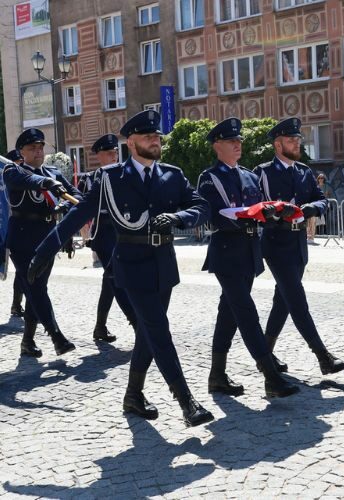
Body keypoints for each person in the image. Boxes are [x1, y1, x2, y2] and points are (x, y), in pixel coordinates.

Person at [28, 110, 214, 427]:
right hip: (132, 263)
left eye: (157, 137)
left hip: (163, 263)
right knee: (158, 330)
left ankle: (133, 395)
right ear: (131, 143)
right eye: (148, 137)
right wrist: (42, 253)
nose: (156, 141)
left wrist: (180, 218)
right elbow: (77, 216)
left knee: (147, 333)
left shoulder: (171, 174)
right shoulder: (111, 178)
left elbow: (202, 206)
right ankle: (186, 401)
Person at [199, 117, 299, 399]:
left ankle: (216, 375)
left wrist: (271, 213)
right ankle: (270, 375)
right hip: (227, 252)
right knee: (246, 312)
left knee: (228, 314)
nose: (238, 145)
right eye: (232, 141)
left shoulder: (249, 175)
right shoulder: (210, 178)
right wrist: (247, 217)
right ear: (217, 146)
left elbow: (260, 208)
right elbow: (216, 214)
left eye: (239, 141)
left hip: (249, 252)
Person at [253, 118, 344, 376]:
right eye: (291, 139)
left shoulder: (304, 171)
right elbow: (254, 206)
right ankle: (323, 356)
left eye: (298, 139)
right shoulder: (262, 172)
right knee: (296, 299)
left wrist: (308, 209)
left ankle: (265, 354)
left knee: (282, 301)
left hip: (298, 243)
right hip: (275, 242)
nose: (297, 143)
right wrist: (274, 212)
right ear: (278, 143)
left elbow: (322, 201)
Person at [3, 129, 80, 358]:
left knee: (37, 291)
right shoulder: (13, 171)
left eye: (40, 147)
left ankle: (27, 342)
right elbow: (28, 180)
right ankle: (57, 337)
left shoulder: (53, 172)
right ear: (21, 152)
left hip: (48, 239)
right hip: (22, 239)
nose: (38, 152)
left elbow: (75, 195)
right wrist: (47, 182)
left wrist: (68, 206)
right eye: (32, 149)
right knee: (36, 289)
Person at [80, 134, 137, 343]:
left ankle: (99, 328)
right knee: (116, 276)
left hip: (122, 232)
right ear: (99, 156)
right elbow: (79, 207)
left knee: (110, 282)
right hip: (103, 233)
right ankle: (137, 323)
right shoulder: (91, 179)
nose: (113, 156)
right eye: (108, 153)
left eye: (115, 152)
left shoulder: (125, 175)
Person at [5, 149, 26, 318]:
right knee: (22, 271)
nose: (21, 167)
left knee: (23, 271)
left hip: (24, 232)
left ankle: (17, 305)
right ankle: (17, 305)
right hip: (10, 232)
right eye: (17, 164)